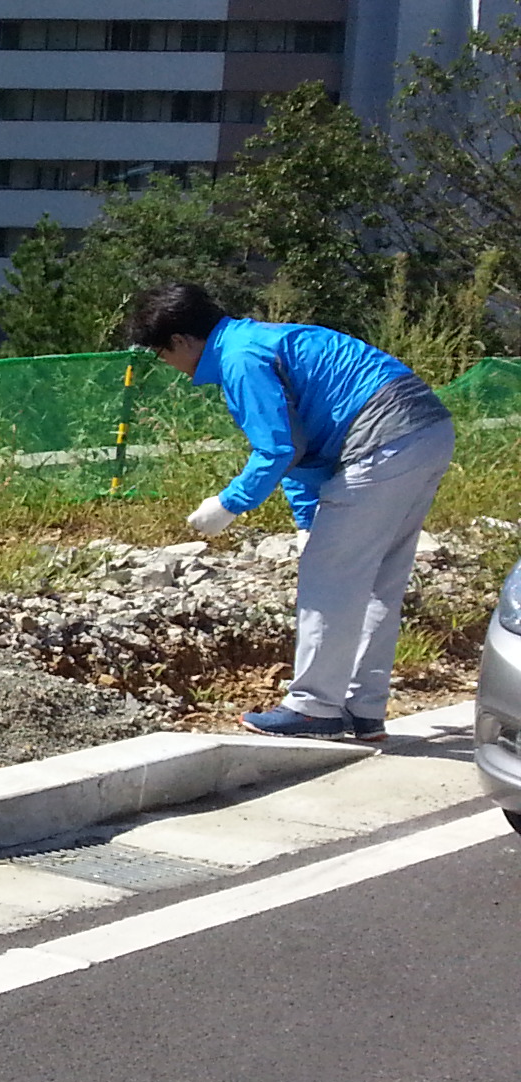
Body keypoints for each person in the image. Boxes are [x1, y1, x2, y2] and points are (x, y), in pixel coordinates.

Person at [126, 281, 456, 740]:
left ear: (181, 341)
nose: (170, 365)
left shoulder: (239, 359)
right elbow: (304, 450)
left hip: (381, 439)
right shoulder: (256, 338)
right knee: (380, 579)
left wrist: (229, 504)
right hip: (425, 430)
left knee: (329, 579)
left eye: (163, 353)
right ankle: (363, 708)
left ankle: (315, 707)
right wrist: (306, 522)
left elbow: (277, 448)